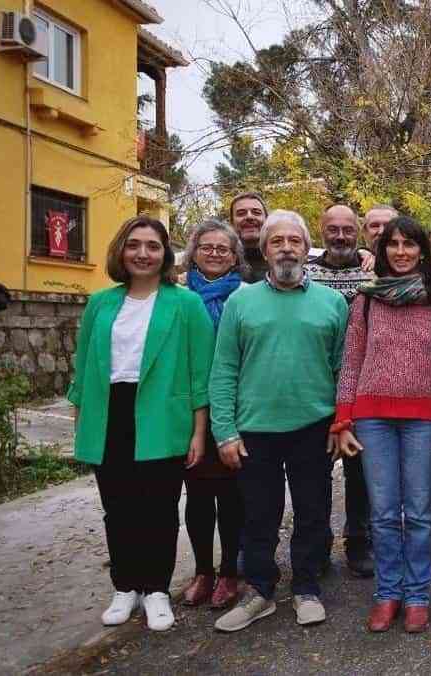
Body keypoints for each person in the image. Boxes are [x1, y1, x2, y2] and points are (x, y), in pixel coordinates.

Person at [68, 215, 215, 632]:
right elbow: (83, 369)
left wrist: (198, 430)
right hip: (109, 412)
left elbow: (198, 371)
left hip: (161, 415)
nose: (143, 253)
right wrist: (81, 424)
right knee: (117, 509)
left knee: (160, 509)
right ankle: (125, 587)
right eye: (134, 245)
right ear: (121, 250)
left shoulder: (185, 303)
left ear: (165, 253)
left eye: (152, 246)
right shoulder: (101, 303)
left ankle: (156, 590)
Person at [211, 210, 350, 632]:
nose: (287, 247)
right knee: (259, 517)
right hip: (254, 430)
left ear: (307, 250)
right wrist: (225, 431)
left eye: (295, 240)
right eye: (277, 241)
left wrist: (341, 423)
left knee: (312, 513)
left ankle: (306, 587)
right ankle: (260, 591)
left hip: (314, 427)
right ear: (265, 250)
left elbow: (344, 370)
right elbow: (223, 370)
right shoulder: (241, 301)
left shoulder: (333, 303)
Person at [334, 216, 431, 634]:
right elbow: (351, 360)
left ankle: (417, 594)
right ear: (382, 251)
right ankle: (387, 593)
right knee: (382, 513)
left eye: (409, 244)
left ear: (423, 250)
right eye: (393, 244)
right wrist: (343, 420)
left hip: (424, 418)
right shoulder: (367, 299)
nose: (401, 252)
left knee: (419, 512)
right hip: (372, 418)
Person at [303, 204, 375, 578]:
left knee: (359, 473)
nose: (342, 236)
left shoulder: (373, 272)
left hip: (361, 387)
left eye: (349, 229)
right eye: (334, 229)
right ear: (322, 229)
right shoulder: (304, 273)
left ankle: (358, 542)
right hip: (315, 387)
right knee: (315, 474)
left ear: (358, 231)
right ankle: (317, 546)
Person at [178, 220, 247, 610]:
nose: (215, 254)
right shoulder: (179, 295)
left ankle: (229, 573)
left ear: (235, 256)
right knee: (198, 498)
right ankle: (203, 570)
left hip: (234, 409)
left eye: (223, 248)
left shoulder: (245, 296)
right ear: (194, 252)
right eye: (207, 247)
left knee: (232, 498)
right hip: (190, 410)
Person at [228, 192, 269, 284]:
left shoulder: (282, 258)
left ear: (267, 220)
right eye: (241, 213)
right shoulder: (220, 261)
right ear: (232, 223)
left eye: (256, 213)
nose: (249, 217)